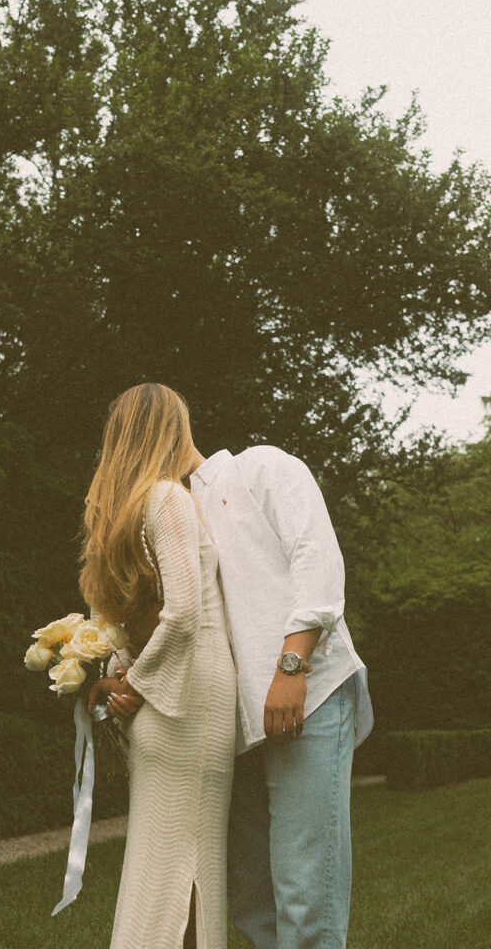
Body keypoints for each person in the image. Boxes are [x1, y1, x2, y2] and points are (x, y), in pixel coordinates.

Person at [111, 439, 374, 949]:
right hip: (229, 723)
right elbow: (164, 618)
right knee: (252, 903)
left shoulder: (261, 467)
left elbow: (315, 555)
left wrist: (292, 666)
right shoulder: (163, 512)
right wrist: (120, 673)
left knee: (304, 897)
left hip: (307, 697)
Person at [84, 383, 236, 949]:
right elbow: (187, 613)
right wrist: (137, 685)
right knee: (189, 860)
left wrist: (128, 678)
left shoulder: (115, 514)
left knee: (163, 857)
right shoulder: (168, 497)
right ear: (170, 430)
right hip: (190, 694)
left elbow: (121, 625)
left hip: (163, 694)